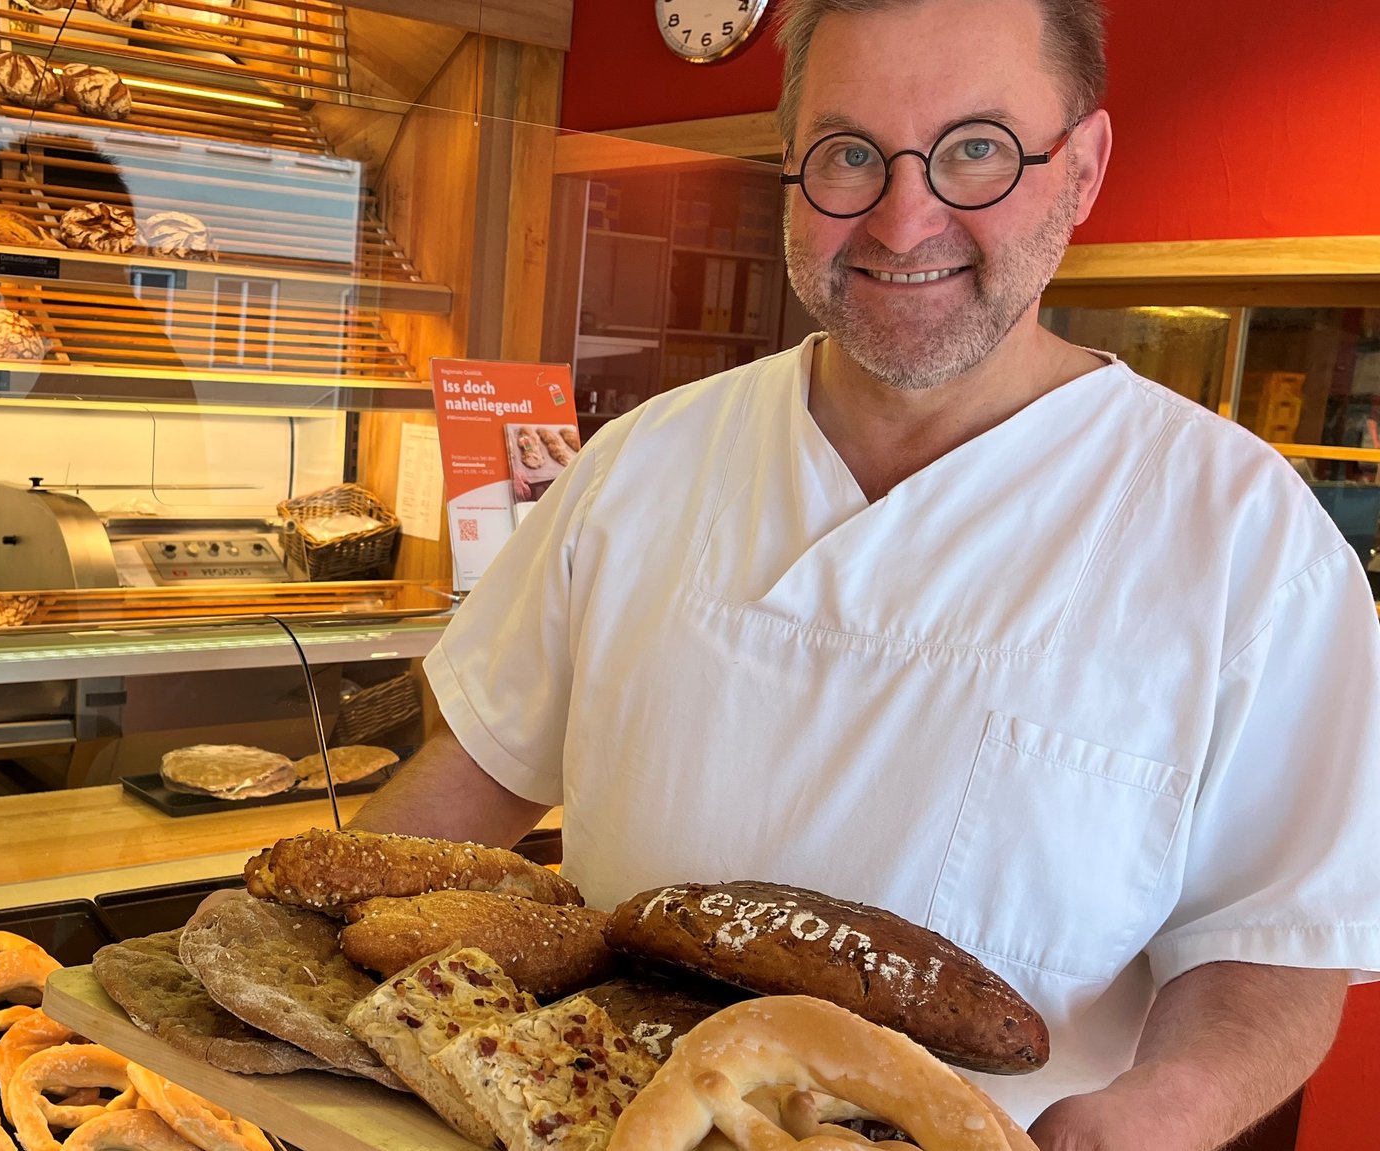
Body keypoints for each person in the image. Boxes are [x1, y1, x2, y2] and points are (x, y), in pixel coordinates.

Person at [340, 0, 1380, 1145]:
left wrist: (1164, 1109)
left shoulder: (1243, 539)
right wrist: (301, 956)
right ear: (790, 171)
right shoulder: (643, 460)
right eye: (846, 153)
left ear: (1080, 168)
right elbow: (480, 776)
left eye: (974, 148)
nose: (902, 216)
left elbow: (1269, 940)